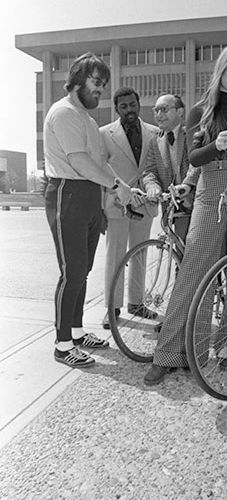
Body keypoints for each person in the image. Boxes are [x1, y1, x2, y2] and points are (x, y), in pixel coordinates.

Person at [144, 39, 227, 385]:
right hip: (211, 190)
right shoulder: (201, 111)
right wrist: (218, 145)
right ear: (221, 68)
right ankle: (173, 353)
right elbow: (195, 158)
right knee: (194, 271)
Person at [43, 52, 133, 368]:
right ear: (78, 79)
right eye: (96, 82)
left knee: (84, 269)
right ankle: (62, 344)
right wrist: (115, 186)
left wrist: (118, 186)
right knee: (73, 271)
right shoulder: (64, 113)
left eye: (103, 84)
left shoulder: (89, 119)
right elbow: (79, 161)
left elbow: (97, 164)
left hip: (89, 195)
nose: (100, 90)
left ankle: (77, 332)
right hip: (67, 193)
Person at [100, 86, 160, 329]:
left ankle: (136, 303)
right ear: (117, 109)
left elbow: (158, 166)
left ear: (139, 104)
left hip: (144, 202)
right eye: (123, 107)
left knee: (140, 253)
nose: (129, 110)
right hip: (117, 203)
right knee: (115, 257)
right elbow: (100, 169)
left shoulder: (155, 133)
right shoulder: (104, 134)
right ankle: (112, 309)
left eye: (132, 105)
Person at [142, 93, 200, 243]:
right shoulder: (155, 141)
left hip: (198, 203)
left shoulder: (193, 133)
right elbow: (150, 171)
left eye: (164, 109)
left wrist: (187, 184)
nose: (159, 115)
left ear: (180, 112)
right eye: (156, 110)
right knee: (181, 256)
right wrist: (152, 187)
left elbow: (197, 163)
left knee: (199, 254)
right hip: (175, 208)